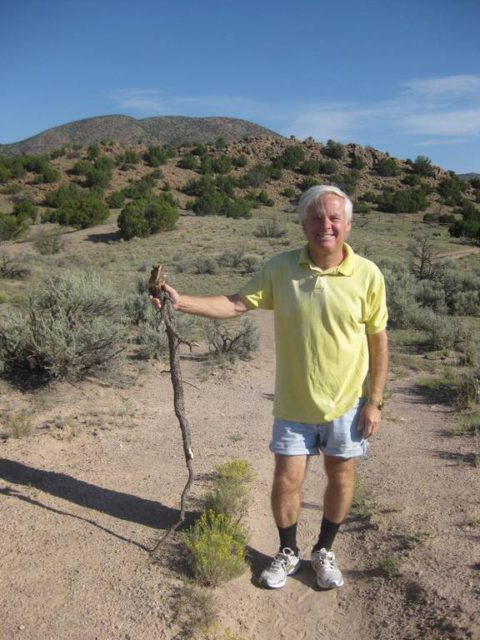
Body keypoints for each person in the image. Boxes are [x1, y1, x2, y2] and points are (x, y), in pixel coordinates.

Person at [150, 185, 388, 590]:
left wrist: (375, 401)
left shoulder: (367, 274)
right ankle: (289, 551)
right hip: (294, 402)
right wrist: (181, 301)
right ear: (303, 224)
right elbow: (237, 303)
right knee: (286, 479)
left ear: (347, 224)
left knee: (341, 477)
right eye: (315, 218)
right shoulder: (281, 268)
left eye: (333, 218)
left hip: (348, 402)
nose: (324, 225)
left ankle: (324, 550)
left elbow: (378, 339)